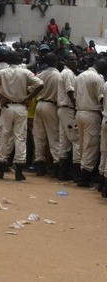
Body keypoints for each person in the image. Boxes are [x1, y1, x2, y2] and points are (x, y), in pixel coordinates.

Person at [0, 50, 43, 181]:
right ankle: (19, 171)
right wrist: (29, 98)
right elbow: (40, 84)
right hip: (21, 107)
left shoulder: (2, 72)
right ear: (19, 60)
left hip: (6, 107)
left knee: (4, 135)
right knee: (20, 137)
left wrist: (0, 96)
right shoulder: (25, 72)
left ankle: (0, 167)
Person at [74, 58, 107, 188]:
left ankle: (81, 172)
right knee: (91, 145)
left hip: (79, 112)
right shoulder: (97, 79)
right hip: (92, 114)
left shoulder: (80, 76)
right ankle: (85, 177)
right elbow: (101, 99)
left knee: (82, 143)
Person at [33, 54, 63, 177]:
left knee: (39, 136)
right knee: (53, 136)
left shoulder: (41, 74)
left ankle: (39, 164)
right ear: (56, 61)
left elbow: (33, 87)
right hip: (52, 105)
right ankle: (56, 165)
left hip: (39, 104)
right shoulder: (59, 76)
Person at [57, 52, 79, 180]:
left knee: (64, 140)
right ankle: (76, 173)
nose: (75, 61)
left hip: (63, 109)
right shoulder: (68, 73)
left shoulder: (65, 73)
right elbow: (70, 91)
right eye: (72, 59)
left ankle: (62, 173)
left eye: (76, 59)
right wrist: (77, 106)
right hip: (68, 109)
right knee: (75, 140)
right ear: (66, 61)